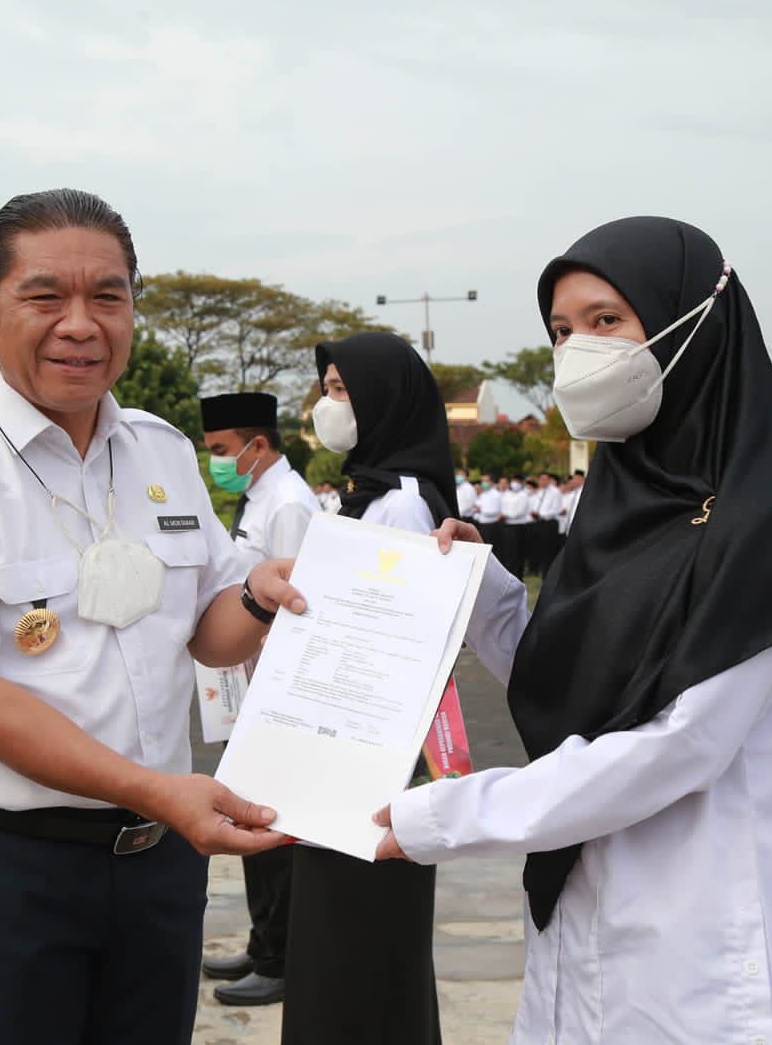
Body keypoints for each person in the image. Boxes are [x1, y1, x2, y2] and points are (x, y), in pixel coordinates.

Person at [376, 217, 772, 1044]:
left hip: (713, 953)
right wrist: (478, 587)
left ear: (692, 318)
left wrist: (445, 816)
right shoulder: (619, 505)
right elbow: (573, 681)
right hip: (592, 914)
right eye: (561, 330)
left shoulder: (767, 530)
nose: (578, 348)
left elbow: (678, 744)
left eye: (606, 320)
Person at [0, 189, 300, 1045]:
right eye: (45, 297)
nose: (81, 323)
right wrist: (159, 791)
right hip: (5, 869)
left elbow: (206, 632)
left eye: (109, 296)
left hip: (158, 864)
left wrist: (259, 595)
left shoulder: (163, 451)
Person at [282, 330, 452, 1045]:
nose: (328, 403)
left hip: (371, 752)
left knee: (364, 946)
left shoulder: (404, 505)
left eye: (342, 390)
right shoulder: (371, 490)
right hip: (345, 743)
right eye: (325, 388)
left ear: (384, 399)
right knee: (336, 945)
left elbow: (395, 639)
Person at [197, 390, 320, 1007]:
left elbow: (299, 603)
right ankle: (262, 938)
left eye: (220, 451)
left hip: (274, 688)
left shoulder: (290, 505)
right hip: (246, 682)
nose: (216, 462)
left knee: (272, 824)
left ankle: (280, 957)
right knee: (247, 814)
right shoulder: (259, 497)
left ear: (258, 445)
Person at [532, 471, 564, 576]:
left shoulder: (555, 492)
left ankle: (549, 574)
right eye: (541, 479)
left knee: (549, 551)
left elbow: (556, 510)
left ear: (549, 480)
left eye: (545, 479)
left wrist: (541, 514)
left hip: (549, 524)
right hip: (539, 523)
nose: (543, 482)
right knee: (540, 550)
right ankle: (543, 573)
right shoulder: (539, 492)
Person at [498, 475, 531, 576]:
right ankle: (509, 574)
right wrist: (504, 514)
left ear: (521, 483)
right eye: (513, 481)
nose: (514, 483)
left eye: (517, 481)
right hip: (507, 525)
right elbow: (502, 507)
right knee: (508, 552)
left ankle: (518, 574)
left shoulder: (523, 495)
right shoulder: (507, 494)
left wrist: (506, 515)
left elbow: (519, 512)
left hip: (518, 526)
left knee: (517, 553)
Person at [475, 475, 505, 567]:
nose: (483, 483)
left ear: (491, 482)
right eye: (482, 481)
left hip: (491, 525)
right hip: (482, 524)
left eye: (486, 481)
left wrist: (481, 510)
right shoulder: (483, 494)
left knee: (493, 551)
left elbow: (495, 511)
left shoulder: (495, 494)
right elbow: (476, 506)